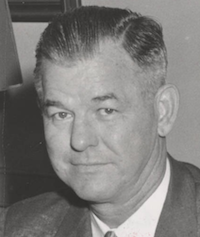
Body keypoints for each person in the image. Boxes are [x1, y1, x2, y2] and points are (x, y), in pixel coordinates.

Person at [1, 5, 200, 237]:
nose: (80, 140)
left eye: (106, 110)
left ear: (163, 111)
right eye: (62, 114)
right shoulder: (17, 228)